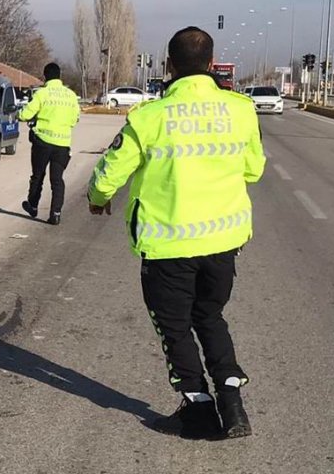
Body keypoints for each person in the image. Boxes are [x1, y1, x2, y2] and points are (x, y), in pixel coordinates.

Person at [87, 26, 264, 440]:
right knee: (210, 315)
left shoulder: (149, 117)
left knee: (175, 327)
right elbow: (254, 169)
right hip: (223, 241)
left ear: (169, 65)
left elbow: (111, 172)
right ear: (210, 63)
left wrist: (98, 197)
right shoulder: (240, 110)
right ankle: (232, 399)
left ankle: (198, 408)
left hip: (167, 246)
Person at [20, 62, 81, 225]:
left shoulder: (42, 94)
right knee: (57, 179)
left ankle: (33, 205)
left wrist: (19, 114)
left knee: (38, 175)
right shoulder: (71, 95)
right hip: (62, 144)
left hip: (43, 142)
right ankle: (55, 213)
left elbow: (25, 114)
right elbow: (75, 119)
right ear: (60, 76)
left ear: (45, 76)